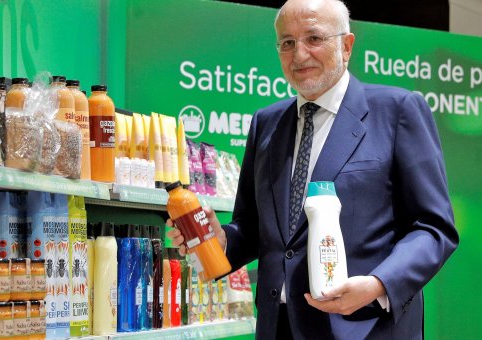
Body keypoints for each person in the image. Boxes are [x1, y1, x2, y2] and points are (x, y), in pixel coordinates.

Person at [167, 0, 459, 338]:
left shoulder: (397, 111)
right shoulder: (267, 123)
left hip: (366, 326)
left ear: (346, 46)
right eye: (287, 42)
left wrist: (379, 284)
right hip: (279, 327)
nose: (299, 54)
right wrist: (219, 241)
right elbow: (253, 229)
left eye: (314, 38)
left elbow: (433, 228)